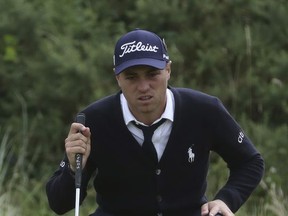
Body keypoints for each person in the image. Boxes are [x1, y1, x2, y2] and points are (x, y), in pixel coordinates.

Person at [46, 29, 264, 216]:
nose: (143, 87)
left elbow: (250, 162)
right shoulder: (93, 120)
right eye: (131, 77)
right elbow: (59, 204)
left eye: (153, 74)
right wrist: (74, 170)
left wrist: (227, 199)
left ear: (168, 70)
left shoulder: (204, 110)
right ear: (117, 78)